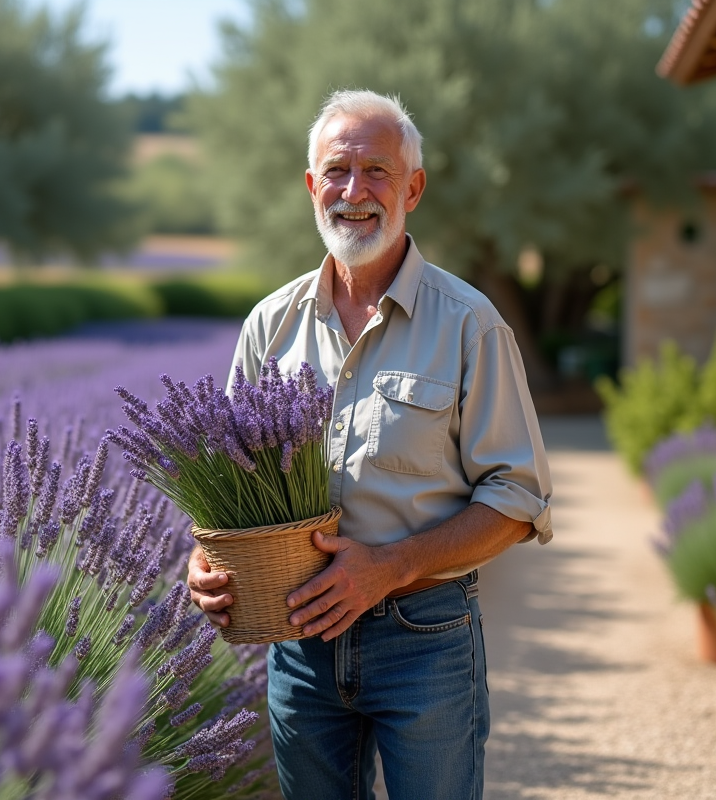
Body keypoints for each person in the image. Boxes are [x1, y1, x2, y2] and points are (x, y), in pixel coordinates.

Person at [187, 89, 553, 800]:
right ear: (311, 186)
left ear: (412, 187)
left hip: (424, 639)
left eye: (377, 171)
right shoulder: (270, 324)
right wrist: (203, 559)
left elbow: (518, 498)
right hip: (299, 646)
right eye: (337, 171)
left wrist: (391, 566)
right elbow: (226, 479)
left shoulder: (470, 324)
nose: (355, 192)